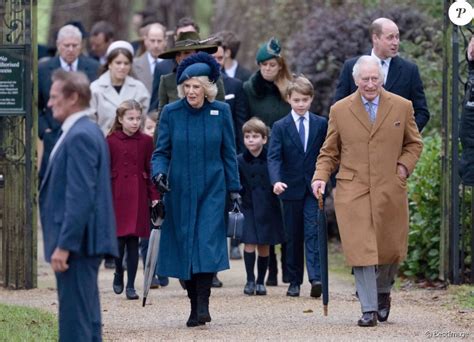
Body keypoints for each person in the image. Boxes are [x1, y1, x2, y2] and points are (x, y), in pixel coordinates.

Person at [311, 56, 423, 326]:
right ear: (355, 80)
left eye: (375, 79)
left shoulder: (401, 106)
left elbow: (414, 144)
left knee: (388, 248)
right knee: (360, 247)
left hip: (389, 188)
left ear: (381, 79)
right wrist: (320, 177)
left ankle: (383, 292)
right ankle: (369, 309)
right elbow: (329, 152)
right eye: (365, 79)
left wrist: (403, 168)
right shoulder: (340, 110)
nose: (370, 84)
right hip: (353, 189)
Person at [151, 52, 240, 327]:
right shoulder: (171, 113)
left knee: (206, 244)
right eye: (187, 86)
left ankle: (203, 304)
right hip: (179, 189)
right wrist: (159, 174)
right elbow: (161, 151)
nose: (191, 91)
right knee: (184, 248)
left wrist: (235, 190)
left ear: (207, 88)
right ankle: (193, 304)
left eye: (196, 86)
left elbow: (229, 153)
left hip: (213, 188)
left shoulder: (220, 111)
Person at [39, 70, 118, 341]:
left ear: (73, 97)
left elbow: (80, 196)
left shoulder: (80, 135)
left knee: (75, 326)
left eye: (54, 97)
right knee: (87, 319)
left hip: (79, 246)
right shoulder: (85, 130)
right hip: (83, 244)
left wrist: (64, 245)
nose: (49, 104)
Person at [267, 76, 328, 297]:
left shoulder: (321, 124)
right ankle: (294, 280)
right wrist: (276, 180)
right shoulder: (280, 126)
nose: (301, 104)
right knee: (292, 236)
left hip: (313, 188)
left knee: (313, 232)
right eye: (296, 100)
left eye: (305, 100)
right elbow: (273, 157)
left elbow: (327, 153)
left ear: (311, 99)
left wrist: (326, 177)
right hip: (289, 188)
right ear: (289, 100)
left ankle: (316, 278)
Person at [243, 37, 293, 286]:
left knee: (281, 212)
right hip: (259, 155)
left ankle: (285, 268)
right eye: (263, 65)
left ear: (280, 65)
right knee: (263, 213)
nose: (268, 70)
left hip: (285, 156)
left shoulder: (289, 89)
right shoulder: (250, 89)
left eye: (272, 65)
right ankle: (268, 271)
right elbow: (242, 120)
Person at [334, 17, 430, 132]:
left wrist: (404, 136)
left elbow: (421, 112)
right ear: (375, 38)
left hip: (395, 146)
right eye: (390, 37)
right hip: (358, 145)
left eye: (397, 37)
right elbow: (339, 107)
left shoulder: (409, 70)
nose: (396, 42)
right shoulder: (351, 66)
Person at [107, 100, 159, 300]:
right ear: (120, 119)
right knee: (119, 241)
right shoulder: (110, 140)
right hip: (116, 193)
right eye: (130, 118)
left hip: (138, 193)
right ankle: (118, 272)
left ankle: (131, 285)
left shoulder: (146, 141)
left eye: (138, 118)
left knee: (133, 241)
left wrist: (154, 196)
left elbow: (149, 169)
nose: (135, 122)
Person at [38, 24, 100, 182]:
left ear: (81, 46)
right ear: (59, 45)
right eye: (67, 45)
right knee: (52, 182)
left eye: (75, 45)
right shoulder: (43, 69)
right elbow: (36, 105)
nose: (71, 49)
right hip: (53, 134)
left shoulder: (94, 68)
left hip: (83, 134)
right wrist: (44, 130)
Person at [238, 117, 285, 296]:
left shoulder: (272, 160)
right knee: (249, 242)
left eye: (255, 136)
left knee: (264, 244)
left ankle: (260, 281)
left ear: (264, 139)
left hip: (268, 206)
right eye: (247, 136)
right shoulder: (240, 160)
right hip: (248, 206)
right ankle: (250, 280)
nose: (251, 139)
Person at [212, 36, 249, 260]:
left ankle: (234, 242)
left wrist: (237, 154)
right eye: (213, 57)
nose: (217, 61)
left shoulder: (234, 86)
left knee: (232, 201)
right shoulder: (195, 87)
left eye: (220, 57)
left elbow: (240, 122)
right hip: (208, 156)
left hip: (230, 153)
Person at [90, 40, 150, 135]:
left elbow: (143, 120)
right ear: (109, 64)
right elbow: (90, 122)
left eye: (126, 63)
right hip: (105, 143)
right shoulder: (95, 88)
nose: (122, 67)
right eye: (118, 63)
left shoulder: (139, 88)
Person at [133, 23, 168, 93]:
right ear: (145, 41)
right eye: (152, 41)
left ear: (165, 41)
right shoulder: (134, 65)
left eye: (159, 41)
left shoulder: (172, 64)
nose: (156, 45)